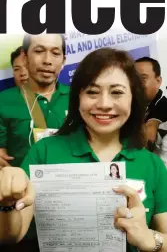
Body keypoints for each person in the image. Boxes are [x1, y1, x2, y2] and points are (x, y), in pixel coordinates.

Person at [0, 48, 167, 252]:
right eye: (92, 92)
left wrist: (151, 239)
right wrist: (7, 203)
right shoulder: (44, 152)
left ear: (133, 99)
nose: (104, 104)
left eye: (117, 92)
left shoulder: (152, 164)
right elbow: (11, 235)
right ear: (77, 98)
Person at [0, 33, 70, 169]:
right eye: (39, 51)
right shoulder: (3, 101)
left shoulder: (79, 98)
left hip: (72, 185)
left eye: (55, 53)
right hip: (23, 187)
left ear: (63, 61)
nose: (47, 60)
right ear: (25, 58)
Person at [135, 57, 167, 150]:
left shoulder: (163, 107)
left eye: (143, 78)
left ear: (158, 81)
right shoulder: (128, 106)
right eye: (133, 79)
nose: (137, 84)